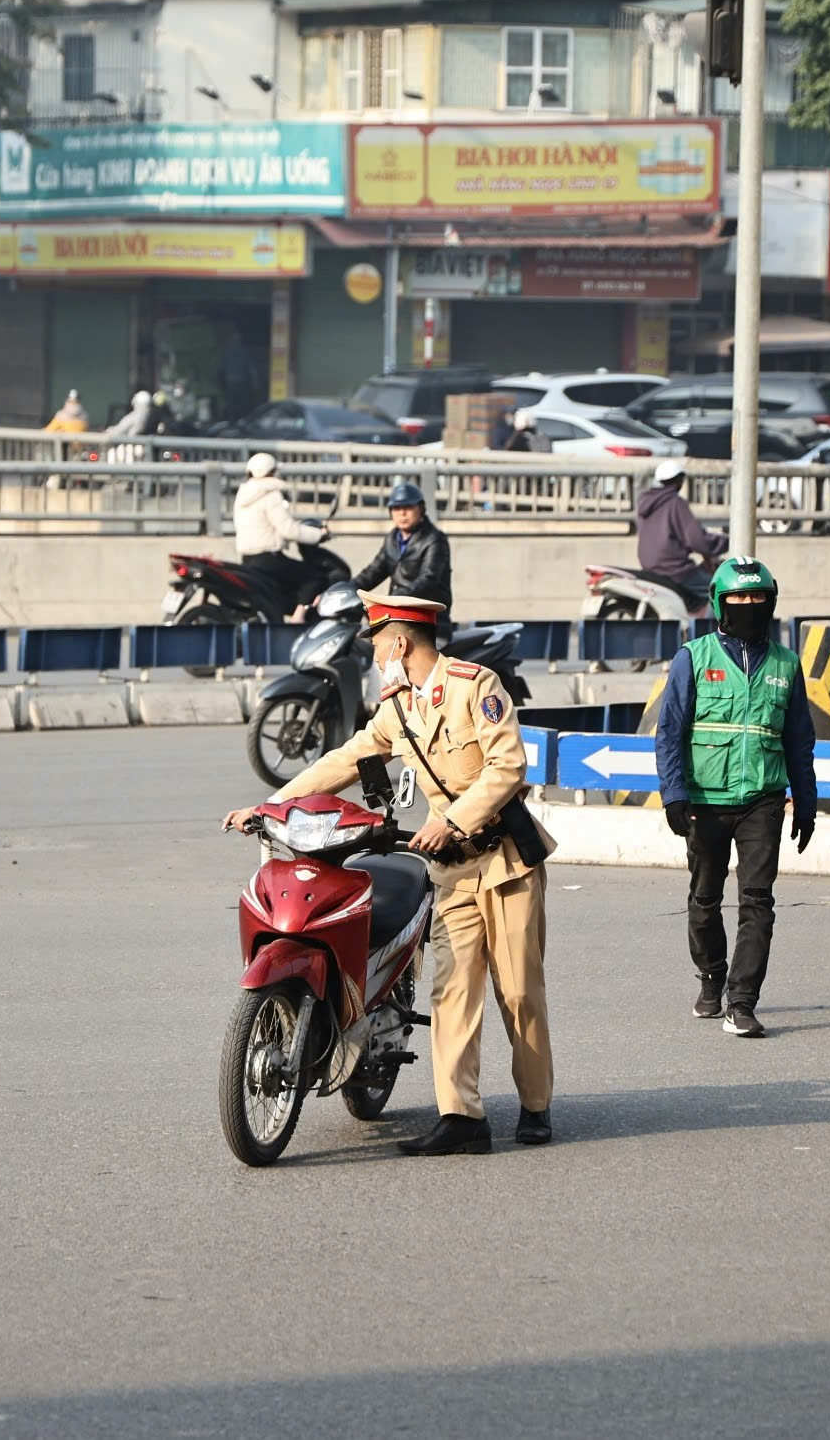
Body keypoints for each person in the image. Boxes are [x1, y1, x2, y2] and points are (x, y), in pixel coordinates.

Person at [224, 591, 555, 1154]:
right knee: (452, 991)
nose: (377, 658)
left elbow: (507, 768)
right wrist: (271, 806)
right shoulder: (399, 706)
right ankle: (462, 1117)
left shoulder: (477, 687)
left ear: (400, 642)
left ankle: (535, 1105)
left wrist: (450, 819)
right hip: (452, 870)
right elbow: (347, 758)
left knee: (518, 991)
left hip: (504, 863)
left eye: (378, 645)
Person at [653, 557, 817, 1037]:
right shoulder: (694, 657)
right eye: (739, 598)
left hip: (762, 800)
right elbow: (670, 732)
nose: (749, 606)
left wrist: (806, 803)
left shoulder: (787, 664)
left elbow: (799, 740)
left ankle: (742, 1001)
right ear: (720, 604)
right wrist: (674, 794)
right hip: (704, 802)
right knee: (704, 899)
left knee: (757, 901)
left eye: (757, 598)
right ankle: (711, 977)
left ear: (771, 602)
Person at [234, 452, 329, 614]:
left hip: (248, 558)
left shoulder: (243, 494)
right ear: (270, 473)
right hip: (269, 558)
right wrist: (319, 535)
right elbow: (288, 530)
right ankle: (298, 618)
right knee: (314, 577)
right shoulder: (270, 494)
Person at [352, 482, 452, 615]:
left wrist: (395, 598)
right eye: (397, 508)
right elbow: (373, 572)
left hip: (428, 619)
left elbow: (428, 579)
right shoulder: (392, 539)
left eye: (409, 507)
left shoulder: (434, 539)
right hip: (397, 614)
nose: (403, 513)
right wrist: (346, 589)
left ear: (421, 509)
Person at [636, 460, 726, 607]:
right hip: (674, 570)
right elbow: (696, 540)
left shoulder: (645, 503)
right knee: (722, 590)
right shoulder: (676, 503)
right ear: (679, 480)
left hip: (650, 568)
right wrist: (723, 542)